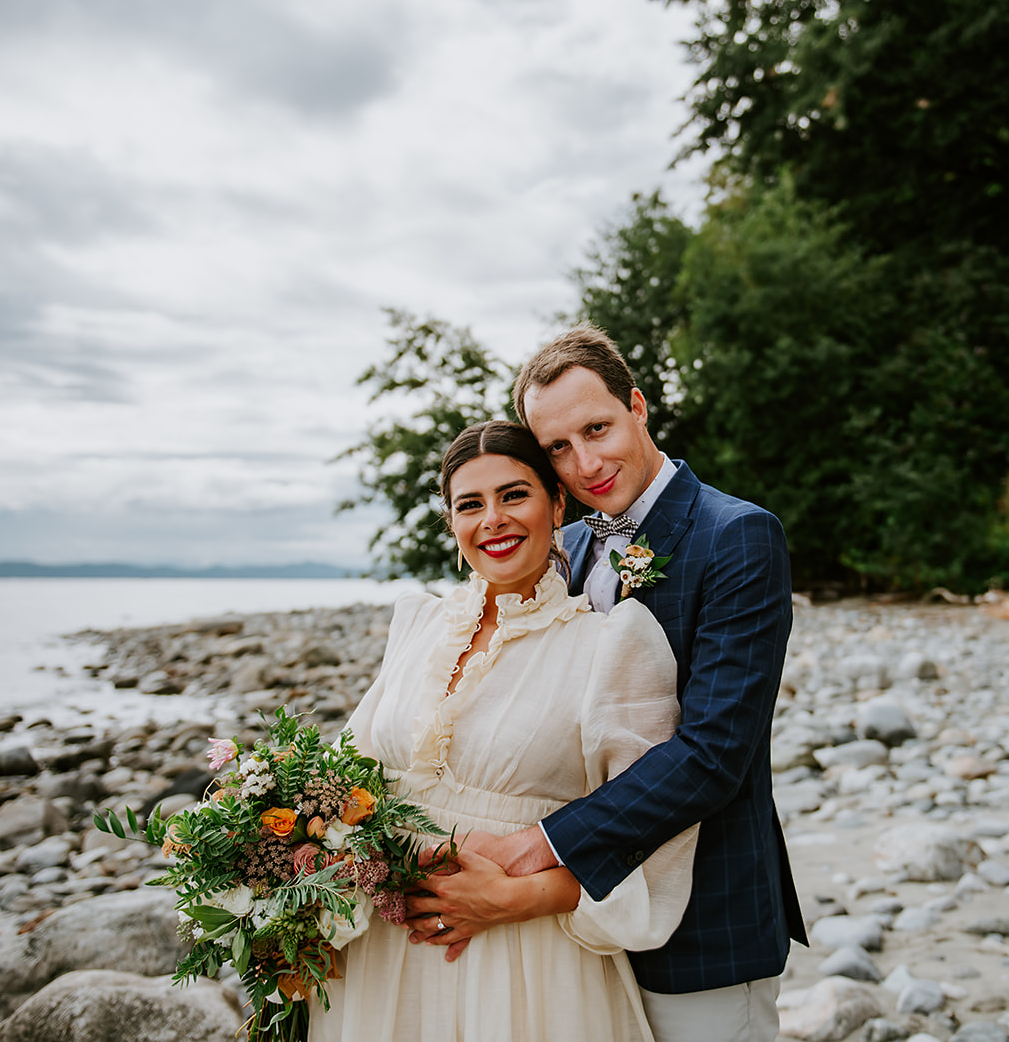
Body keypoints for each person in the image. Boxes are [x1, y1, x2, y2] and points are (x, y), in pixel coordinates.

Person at [404, 325, 806, 1042]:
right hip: (582, 926)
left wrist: (534, 847)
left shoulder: (736, 536)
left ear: (639, 406)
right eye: (557, 447)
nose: (585, 462)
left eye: (597, 428)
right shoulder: (575, 544)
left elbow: (714, 753)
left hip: (702, 921)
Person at [309, 419, 698, 1042]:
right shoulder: (416, 627)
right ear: (452, 522)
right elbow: (341, 779)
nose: (493, 519)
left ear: (557, 503)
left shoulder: (611, 643)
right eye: (470, 504)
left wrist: (522, 898)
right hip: (379, 950)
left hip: (524, 963)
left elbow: (657, 828)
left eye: (514, 495)